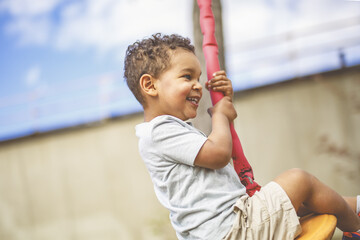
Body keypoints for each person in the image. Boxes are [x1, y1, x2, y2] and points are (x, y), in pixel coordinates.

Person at [124, 33, 360, 240]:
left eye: (198, 78)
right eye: (187, 77)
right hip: (230, 231)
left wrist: (225, 107)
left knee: (303, 202)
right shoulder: (159, 131)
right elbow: (218, 154)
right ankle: (355, 229)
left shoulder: (171, 130)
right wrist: (220, 116)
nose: (198, 85)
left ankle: (357, 206)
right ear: (150, 85)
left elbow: (219, 154)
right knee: (300, 181)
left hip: (231, 226)